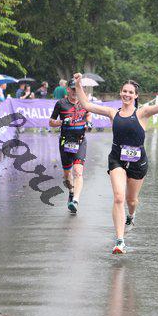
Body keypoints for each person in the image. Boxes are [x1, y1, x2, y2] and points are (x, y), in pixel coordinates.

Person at [75, 68, 158, 254]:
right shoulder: (113, 113)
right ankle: (120, 241)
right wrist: (78, 84)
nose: (127, 94)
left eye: (130, 92)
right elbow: (86, 104)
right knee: (119, 197)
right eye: (124, 91)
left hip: (137, 162)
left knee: (131, 200)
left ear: (135, 96)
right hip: (117, 159)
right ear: (120, 93)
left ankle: (132, 215)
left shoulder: (142, 113)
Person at [49, 78, 90, 214]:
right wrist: (61, 122)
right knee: (67, 174)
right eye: (72, 89)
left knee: (78, 172)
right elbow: (51, 122)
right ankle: (71, 192)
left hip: (80, 141)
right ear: (67, 90)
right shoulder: (61, 104)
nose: (74, 92)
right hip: (65, 142)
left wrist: (89, 123)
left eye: (77, 89)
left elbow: (89, 114)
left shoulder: (84, 102)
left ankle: (75, 201)